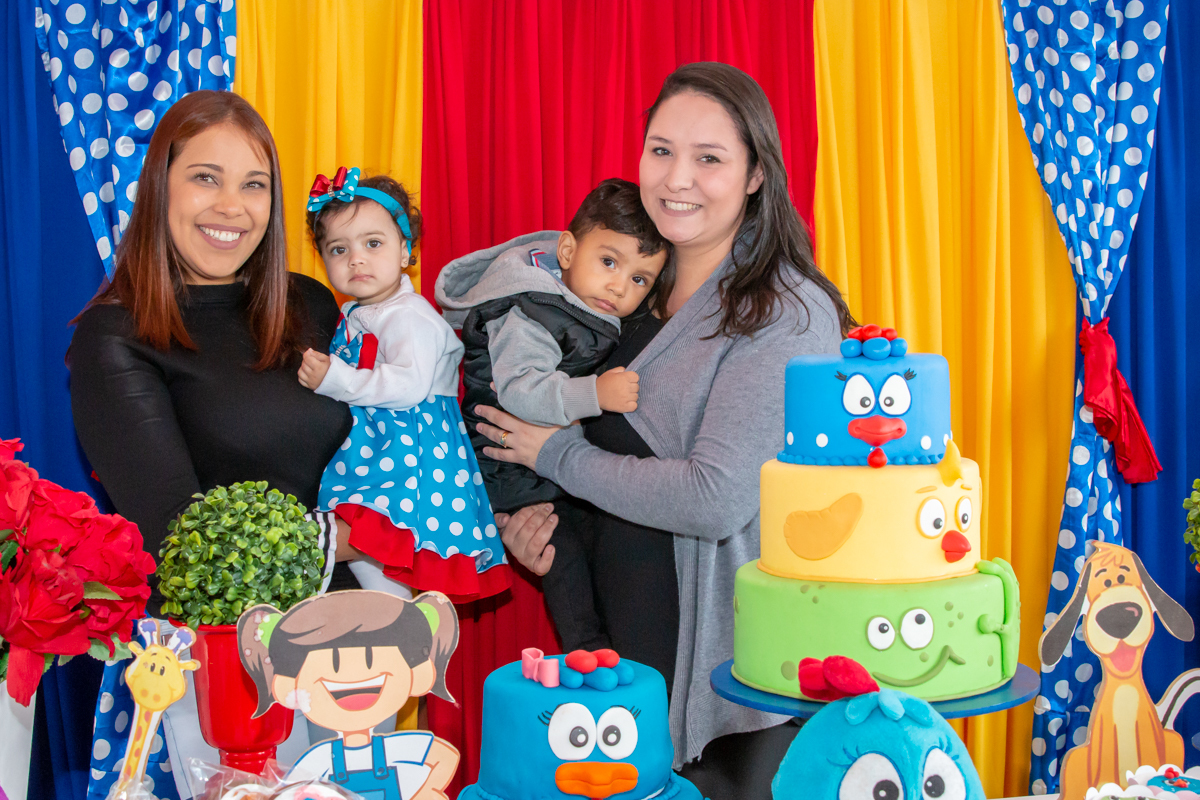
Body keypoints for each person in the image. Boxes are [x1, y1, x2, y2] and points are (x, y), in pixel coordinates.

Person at [473, 63, 856, 800]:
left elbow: (714, 498)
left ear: (755, 174)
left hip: (727, 689)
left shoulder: (785, 312)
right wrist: (534, 527)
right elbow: (589, 453)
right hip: (614, 664)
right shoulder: (622, 289)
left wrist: (551, 453)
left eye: (709, 158)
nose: (678, 178)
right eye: (661, 150)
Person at [69, 90, 354, 800]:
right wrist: (358, 538)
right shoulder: (116, 336)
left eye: (254, 184)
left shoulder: (311, 305)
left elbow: (394, 435)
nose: (232, 206)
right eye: (206, 177)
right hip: (220, 670)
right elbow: (183, 543)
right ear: (159, 187)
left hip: (354, 650)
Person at [433, 177, 670, 650]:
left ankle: (599, 650)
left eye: (639, 279)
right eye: (609, 262)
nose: (619, 286)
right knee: (564, 564)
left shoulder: (577, 308)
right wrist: (594, 394)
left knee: (585, 556)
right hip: (511, 472)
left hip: (554, 472)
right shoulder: (531, 309)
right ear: (566, 251)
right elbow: (519, 391)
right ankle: (588, 652)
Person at [298, 166, 509, 602]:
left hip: (410, 454)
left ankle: (396, 617)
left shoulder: (408, 315)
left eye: (373, 243)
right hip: (379, 448)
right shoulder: (359, 313)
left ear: (405, 251)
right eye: (339, 249)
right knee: (372, 549)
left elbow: (407, 386)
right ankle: (396, 621)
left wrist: (334, 379)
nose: (356, 259)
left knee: (377, 534)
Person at [239, 590, 460, 800]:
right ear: (288, 685)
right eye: (334, 663)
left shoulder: (393, 749)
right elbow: (292, 791)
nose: (356, 680)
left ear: (417, 674)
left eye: (370, 660)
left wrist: (425, 791)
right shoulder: (321, 757)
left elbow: (443, 756)